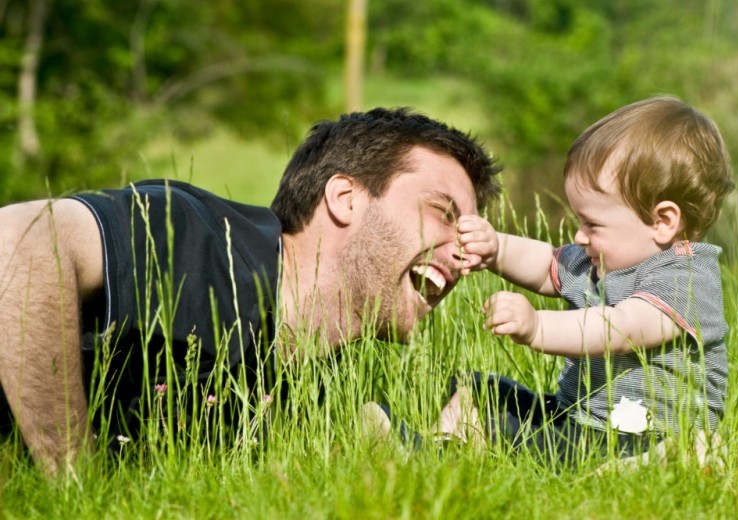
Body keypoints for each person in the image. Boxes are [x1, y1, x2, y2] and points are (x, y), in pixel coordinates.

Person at [0, 107, 502, 474]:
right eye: (444, 214)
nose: (468, 253)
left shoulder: (324, 388)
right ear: (345, 198)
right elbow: (19, 239)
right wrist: (76, 482)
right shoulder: (201, 241)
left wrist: (453, 442)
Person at [442, 96, 734, 465]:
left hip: (638, 434)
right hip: (579, 417)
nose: (579, 236)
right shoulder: (602, 259)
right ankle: (444, 441)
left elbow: (620, 328)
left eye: (592, 224)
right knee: (477, 388)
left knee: (512, 431)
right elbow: (547, 263)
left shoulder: (686, 278)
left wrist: (537, 327)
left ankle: (676, 456)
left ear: (662, 222)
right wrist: (496, 248)